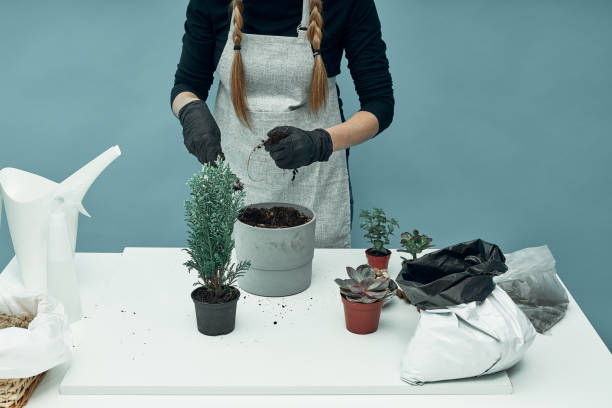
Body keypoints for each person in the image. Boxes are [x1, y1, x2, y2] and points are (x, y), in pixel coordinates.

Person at [171, 0, 394, 248]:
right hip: (232, 178)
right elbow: (186, 85)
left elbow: (379, 104)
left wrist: (320, 142)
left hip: (316, 185)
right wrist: (190, 112)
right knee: (229, 280)